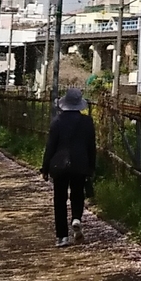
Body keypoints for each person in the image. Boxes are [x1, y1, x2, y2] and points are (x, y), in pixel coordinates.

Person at [41, 87, 96, 246]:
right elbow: (91, 146)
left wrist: (45, 169)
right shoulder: (87, 122)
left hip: (59, 164)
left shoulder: (57, 121)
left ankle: (62, 237)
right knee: (78, 193)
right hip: (81, 163)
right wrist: (91, 167)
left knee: (60, 199)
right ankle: (76, 219)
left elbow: (50, 146)